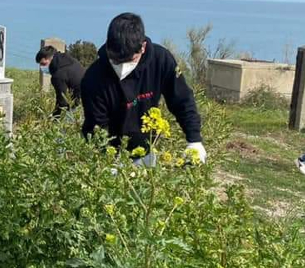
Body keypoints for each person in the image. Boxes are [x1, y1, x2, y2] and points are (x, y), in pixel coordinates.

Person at [80, 12, 206, 164]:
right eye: (116, 61)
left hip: (146, 149)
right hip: (110, 155)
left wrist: (194, 140)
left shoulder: (161, 61)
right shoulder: (93, 78)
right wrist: (108, 163)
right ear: (107, 47)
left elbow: (182, 100)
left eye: (129, 60)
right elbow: (97, 127)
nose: (122, 67)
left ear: (143, 47)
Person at [35, 45, 85, 116]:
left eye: (43, 64)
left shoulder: (58, 75)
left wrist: (54, 117)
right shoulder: (69, 60)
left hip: (84, 101)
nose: (42, 67)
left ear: (50, 58)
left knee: (68, 119)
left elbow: (62, 101)